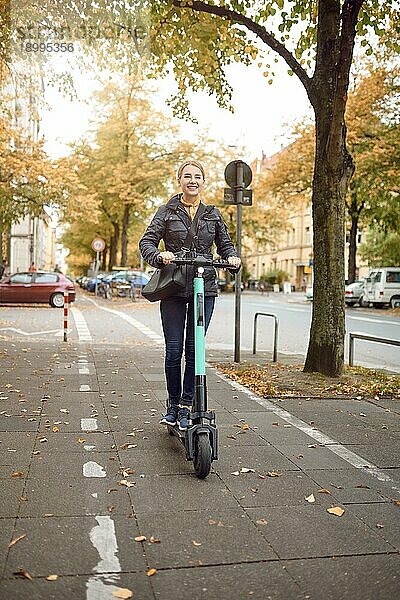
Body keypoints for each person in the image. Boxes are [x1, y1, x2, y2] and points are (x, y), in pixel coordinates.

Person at [139, 160, 241, 431]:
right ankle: (173, 405)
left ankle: (186, 405)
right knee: (174, 350)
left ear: (204, 182)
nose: (192, 180)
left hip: (203, 288)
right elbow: (146, 242)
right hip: (173, 288)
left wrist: (231, 257)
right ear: (179, 180)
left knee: (195, 350)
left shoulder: (213, 214)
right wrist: (159, 256)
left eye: (197, 176)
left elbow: (225, 245)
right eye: (187, 176)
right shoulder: (167, 211)